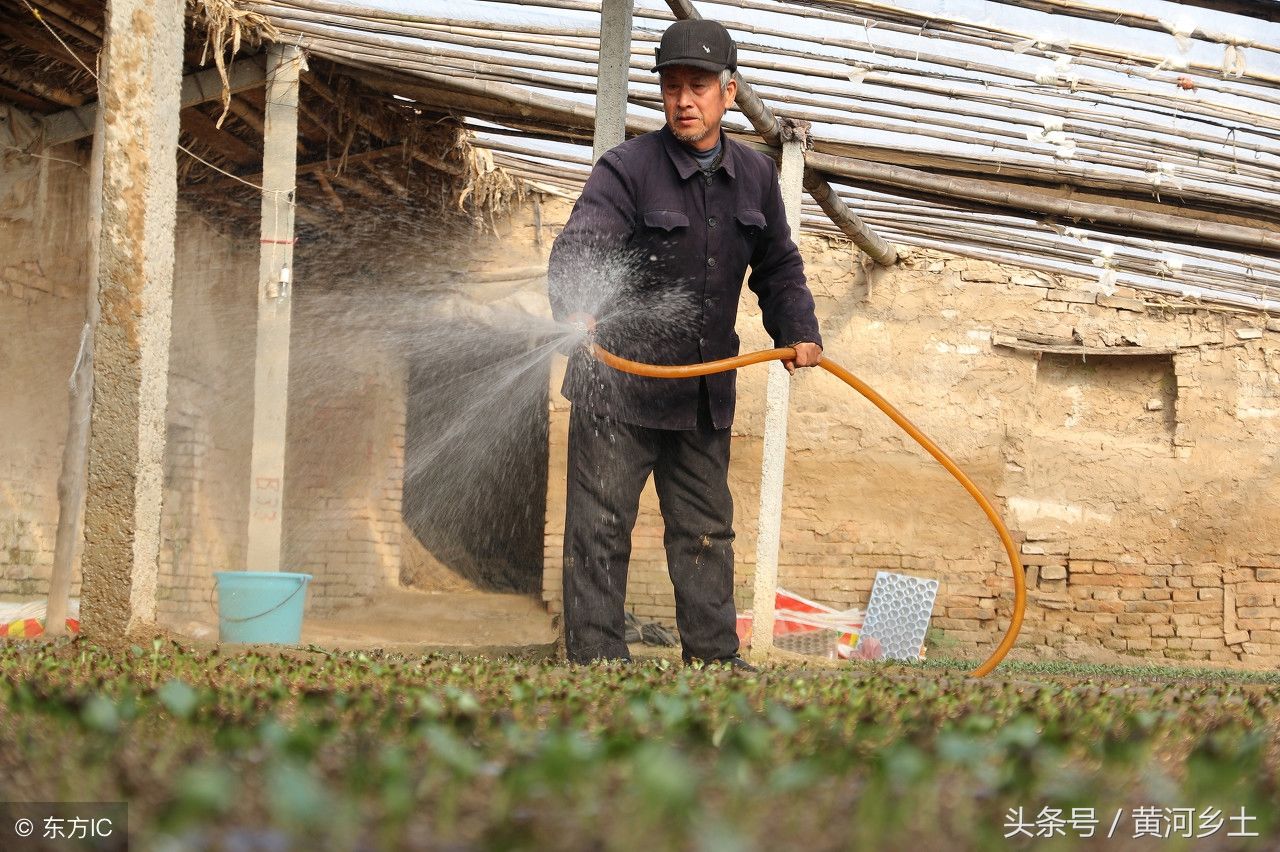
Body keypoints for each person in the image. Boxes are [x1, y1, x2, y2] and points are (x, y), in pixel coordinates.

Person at [547, 18, 823, 667]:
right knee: (599, 531)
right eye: (672, 86)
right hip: (614, 389)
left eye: (698, 86)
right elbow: (582, 244)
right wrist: (579, 303)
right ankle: (596, 660)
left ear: (729, 93)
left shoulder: (755, 179)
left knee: (705, 533)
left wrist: (799, 329)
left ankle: (714, 660)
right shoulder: (627, 169)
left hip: (700, 396)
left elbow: (779, 266)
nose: (683, 100)